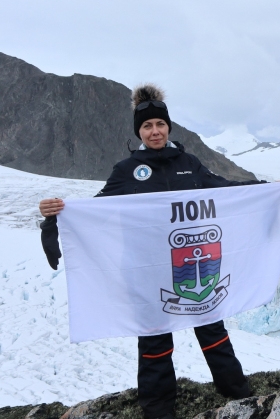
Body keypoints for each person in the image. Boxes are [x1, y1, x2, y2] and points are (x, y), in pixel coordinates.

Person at [39, 84, 263, 419]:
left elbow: (224, 191)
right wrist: (55, 217)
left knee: (212, 330)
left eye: (159, 124)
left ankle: (236, 392)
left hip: (190, 263)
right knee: (155, 340)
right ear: (139, 132)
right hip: (146, 269)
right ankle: (158, 410)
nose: (154, 131)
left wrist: (266, 191)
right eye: (147, 126)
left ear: (168, 127)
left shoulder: (189, 163)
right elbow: (93, 212)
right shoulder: (126, 171)